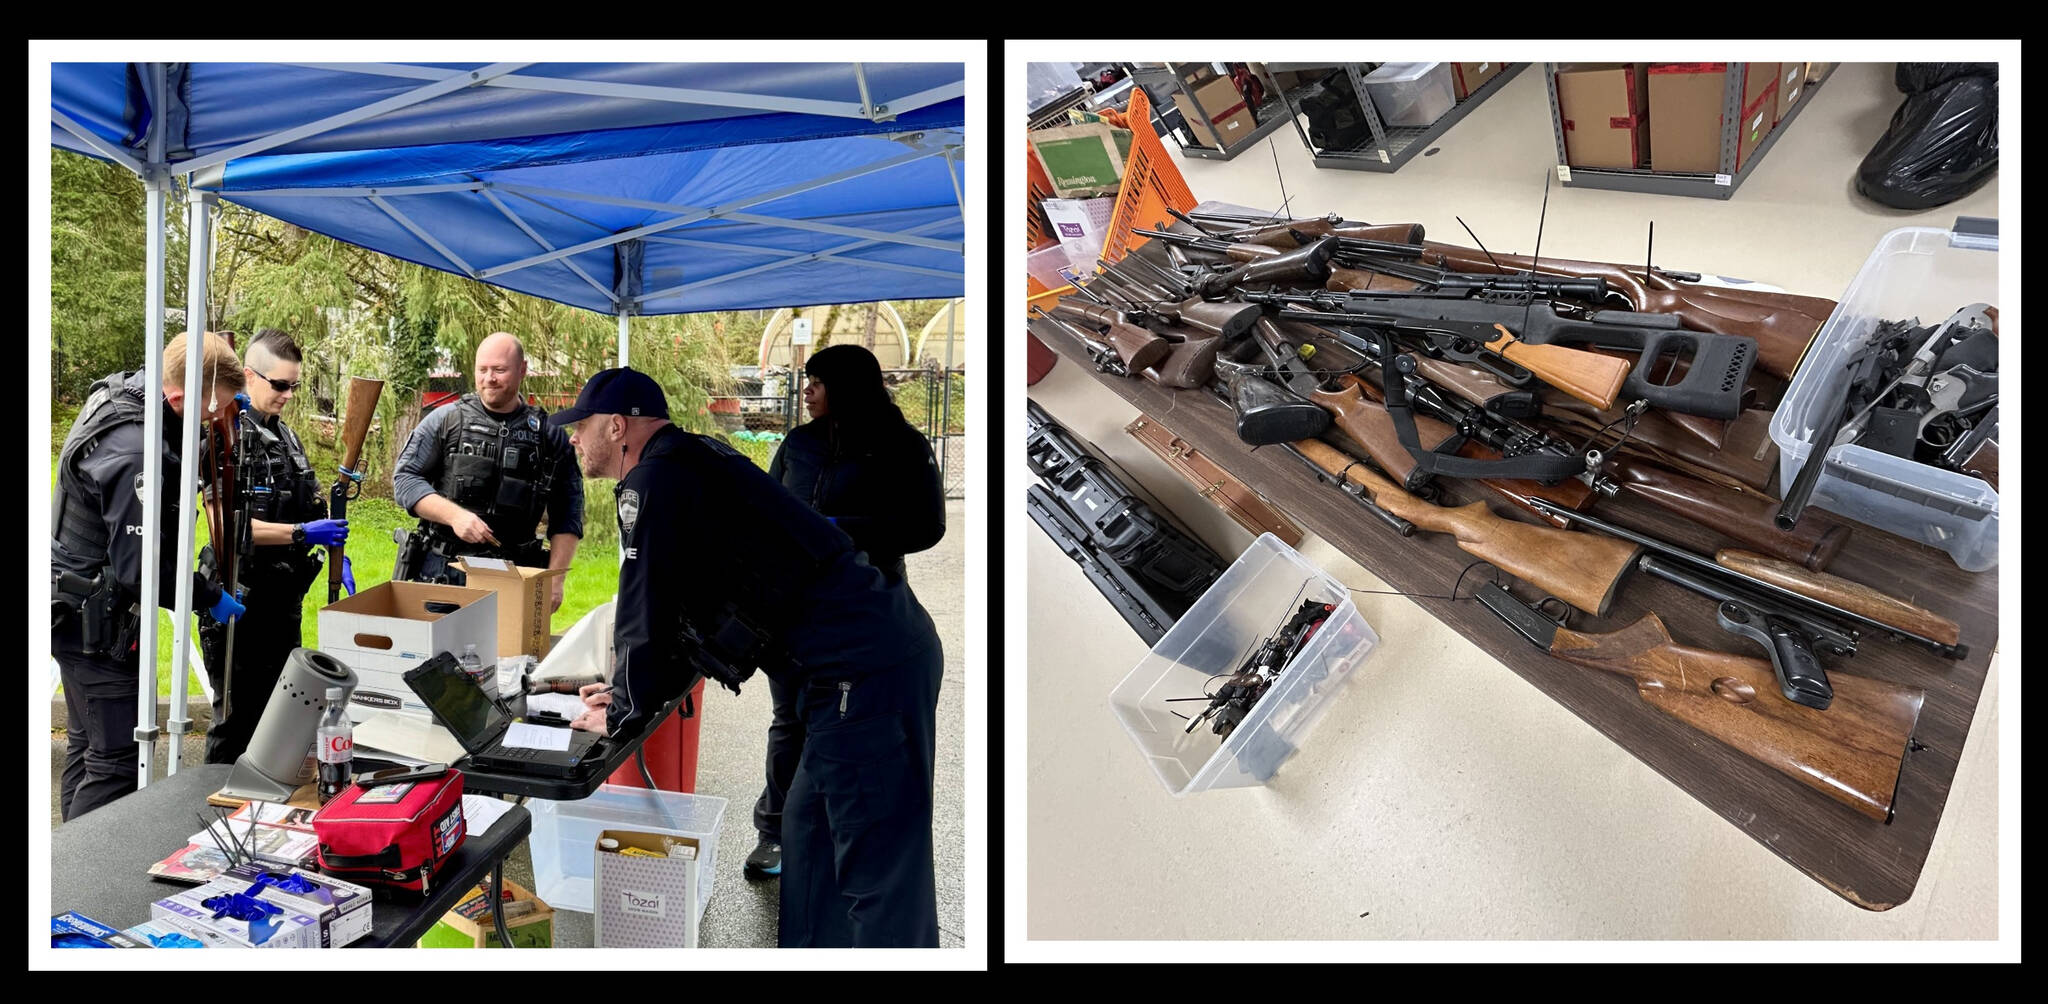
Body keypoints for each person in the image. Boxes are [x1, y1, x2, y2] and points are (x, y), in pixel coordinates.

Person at [557, 368, 943, 948]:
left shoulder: (655, 479)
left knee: (878, 871)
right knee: (808, 834)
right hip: (846, 667)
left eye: (579, 427)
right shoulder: (692, 460)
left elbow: (644, 606)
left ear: (616, 427)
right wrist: (630, 691)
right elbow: (692, 610)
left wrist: (621, 714)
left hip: (864, 673)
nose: (573, 440)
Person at [748, 344, 945, 878]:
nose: (807, 391)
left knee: (851, 722)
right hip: (792, 612)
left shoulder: (903, 446)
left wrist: (841, 528)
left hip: (866, 613)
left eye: (817, 383)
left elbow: (928, 527)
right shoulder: (799, 443)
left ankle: (848, 832)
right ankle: (776, 832)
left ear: (847, 386)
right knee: (790, 718)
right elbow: (767, 508)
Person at [51, 331, 247, 820]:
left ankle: (69, 873)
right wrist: (208, 595)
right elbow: (143, 570)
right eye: (208, 411)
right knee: (116, 761)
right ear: (179, 396)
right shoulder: (137, 450)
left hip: (73, 606)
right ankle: (88, 880)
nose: (209, 421)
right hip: (94, 624)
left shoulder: (128, 394)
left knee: (86, 746)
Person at [195, 328, 349, 764]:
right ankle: (213, 815)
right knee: (236, 723)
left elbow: (314, 504)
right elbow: (226, 527)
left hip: (284, 600)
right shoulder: (224, 436)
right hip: (239, 598)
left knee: (280, 718)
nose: (288, 395)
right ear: (249, 375)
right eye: (280, 385)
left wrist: (336, 543)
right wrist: (302, 533)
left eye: (294, 386)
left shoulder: (288, 439)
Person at [390, 332, 582, 610]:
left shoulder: (549, 436)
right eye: (482, 370)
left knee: (514, 656)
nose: (489, 378)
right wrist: (455, 516)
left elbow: (569, 513)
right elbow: (405, 481)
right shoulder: (446, 420)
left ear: (522, 370)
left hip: (516, 577)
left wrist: (556, 580)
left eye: (499, 370)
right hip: (444, 575)